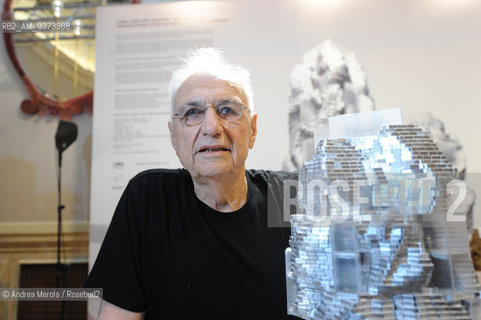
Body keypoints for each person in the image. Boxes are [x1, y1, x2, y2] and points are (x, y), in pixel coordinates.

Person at [85, 48, 298, 319]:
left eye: (227, 110)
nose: (211, 127)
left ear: (253, 129)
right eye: (192, 113)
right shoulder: (150, 199)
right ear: (174, 137)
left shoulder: (290, 195)